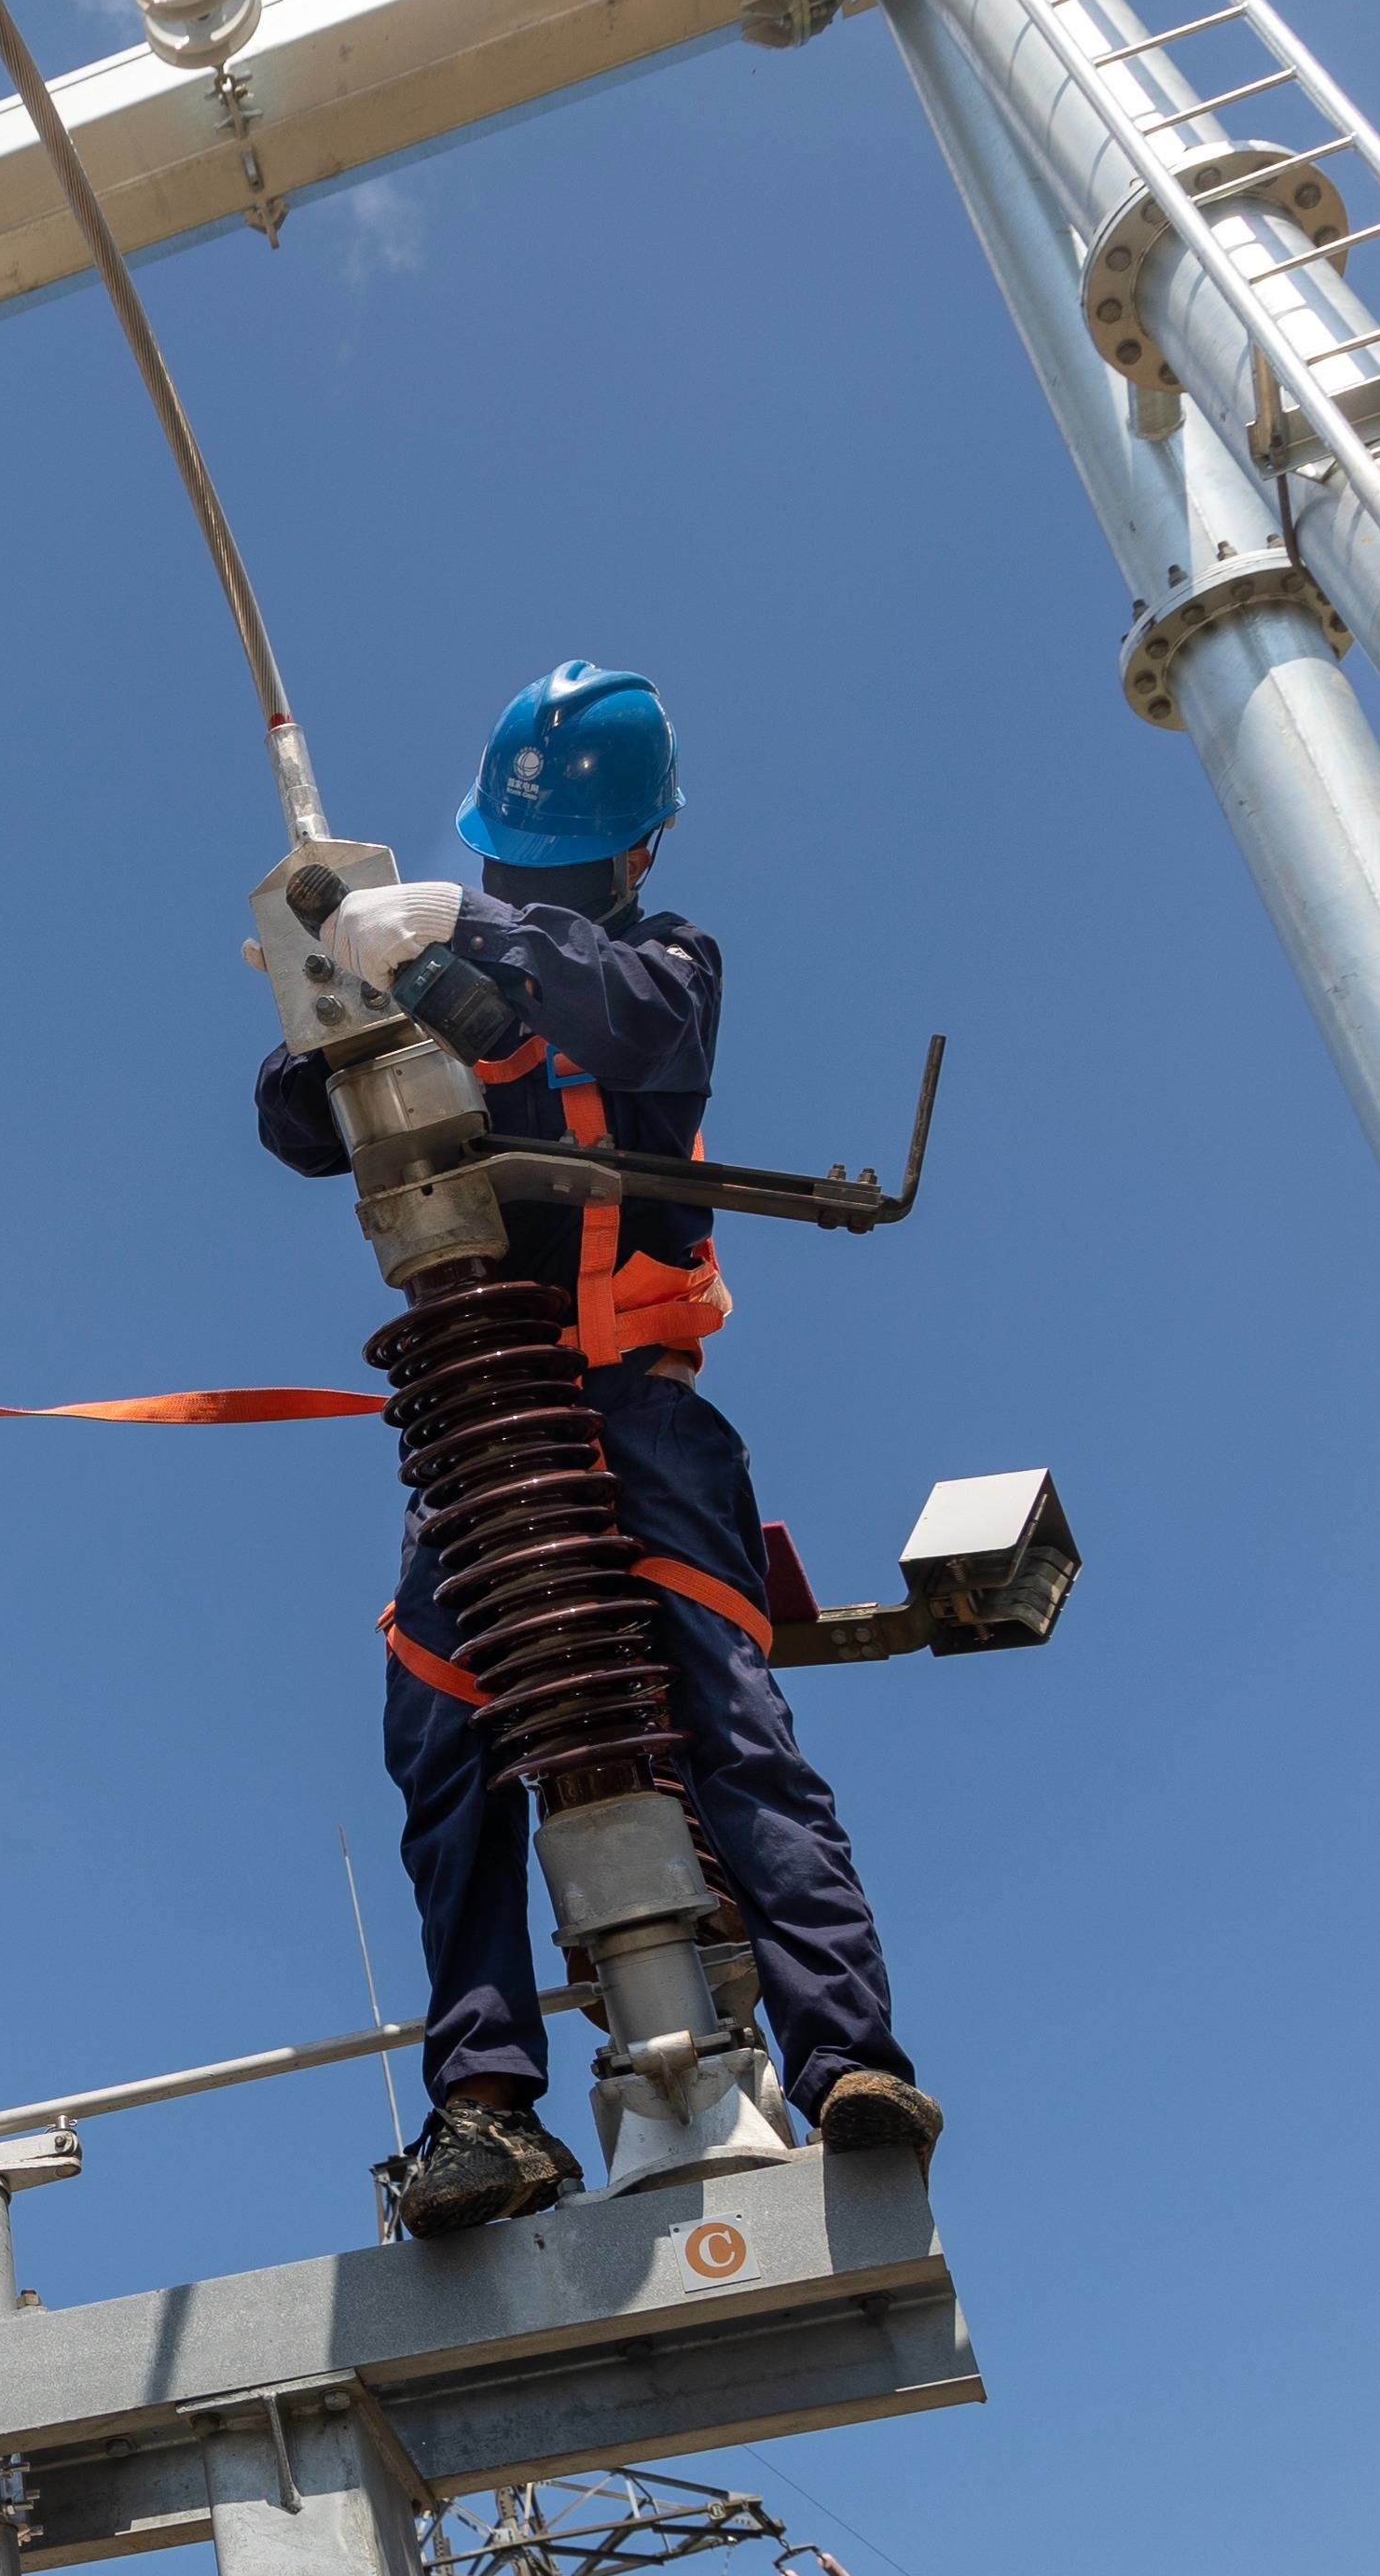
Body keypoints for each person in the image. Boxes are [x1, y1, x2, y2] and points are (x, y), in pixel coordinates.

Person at [254, 663, 937, 2233]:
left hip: (637, 1417)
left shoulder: (658, 968)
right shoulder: (429, 966)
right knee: (442, 1749)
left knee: (726, 1722)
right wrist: (332, 995)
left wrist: (461, 939)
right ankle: (486, 2109)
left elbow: (635, 1011)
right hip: (486, 1427)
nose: (522, 891)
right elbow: (297, 1124)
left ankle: (847, 2063)